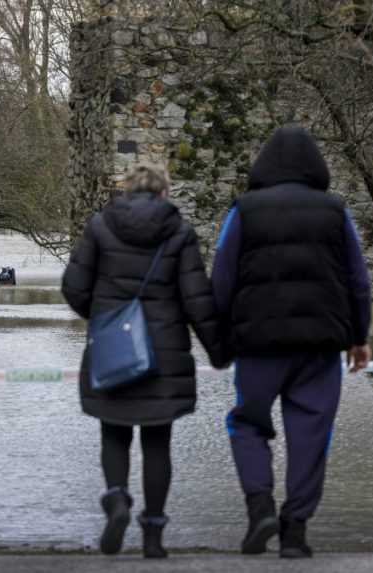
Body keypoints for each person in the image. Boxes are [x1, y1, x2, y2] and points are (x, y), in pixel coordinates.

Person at [211, 126, 372, 559]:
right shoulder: (335, 212)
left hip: (258, 345)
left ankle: (260, 507)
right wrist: (359, 339)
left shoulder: (243, 211)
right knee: (310, 434)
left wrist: (219, 342)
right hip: (319, 347)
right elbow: (358, 280)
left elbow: (222, 279)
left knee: (247, 424)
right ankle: (295, 531)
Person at [62, 164, 222, 559]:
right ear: (164, 194)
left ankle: (116, 500)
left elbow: (73, 287)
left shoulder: (100, 226)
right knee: (157, 443)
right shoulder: (179, 233)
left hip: (113, 350)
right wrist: (220, 351)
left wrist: (102, 316)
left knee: (114, 433)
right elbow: (196, 299)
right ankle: (153, 537)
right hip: (163, 353)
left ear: (127, 191)